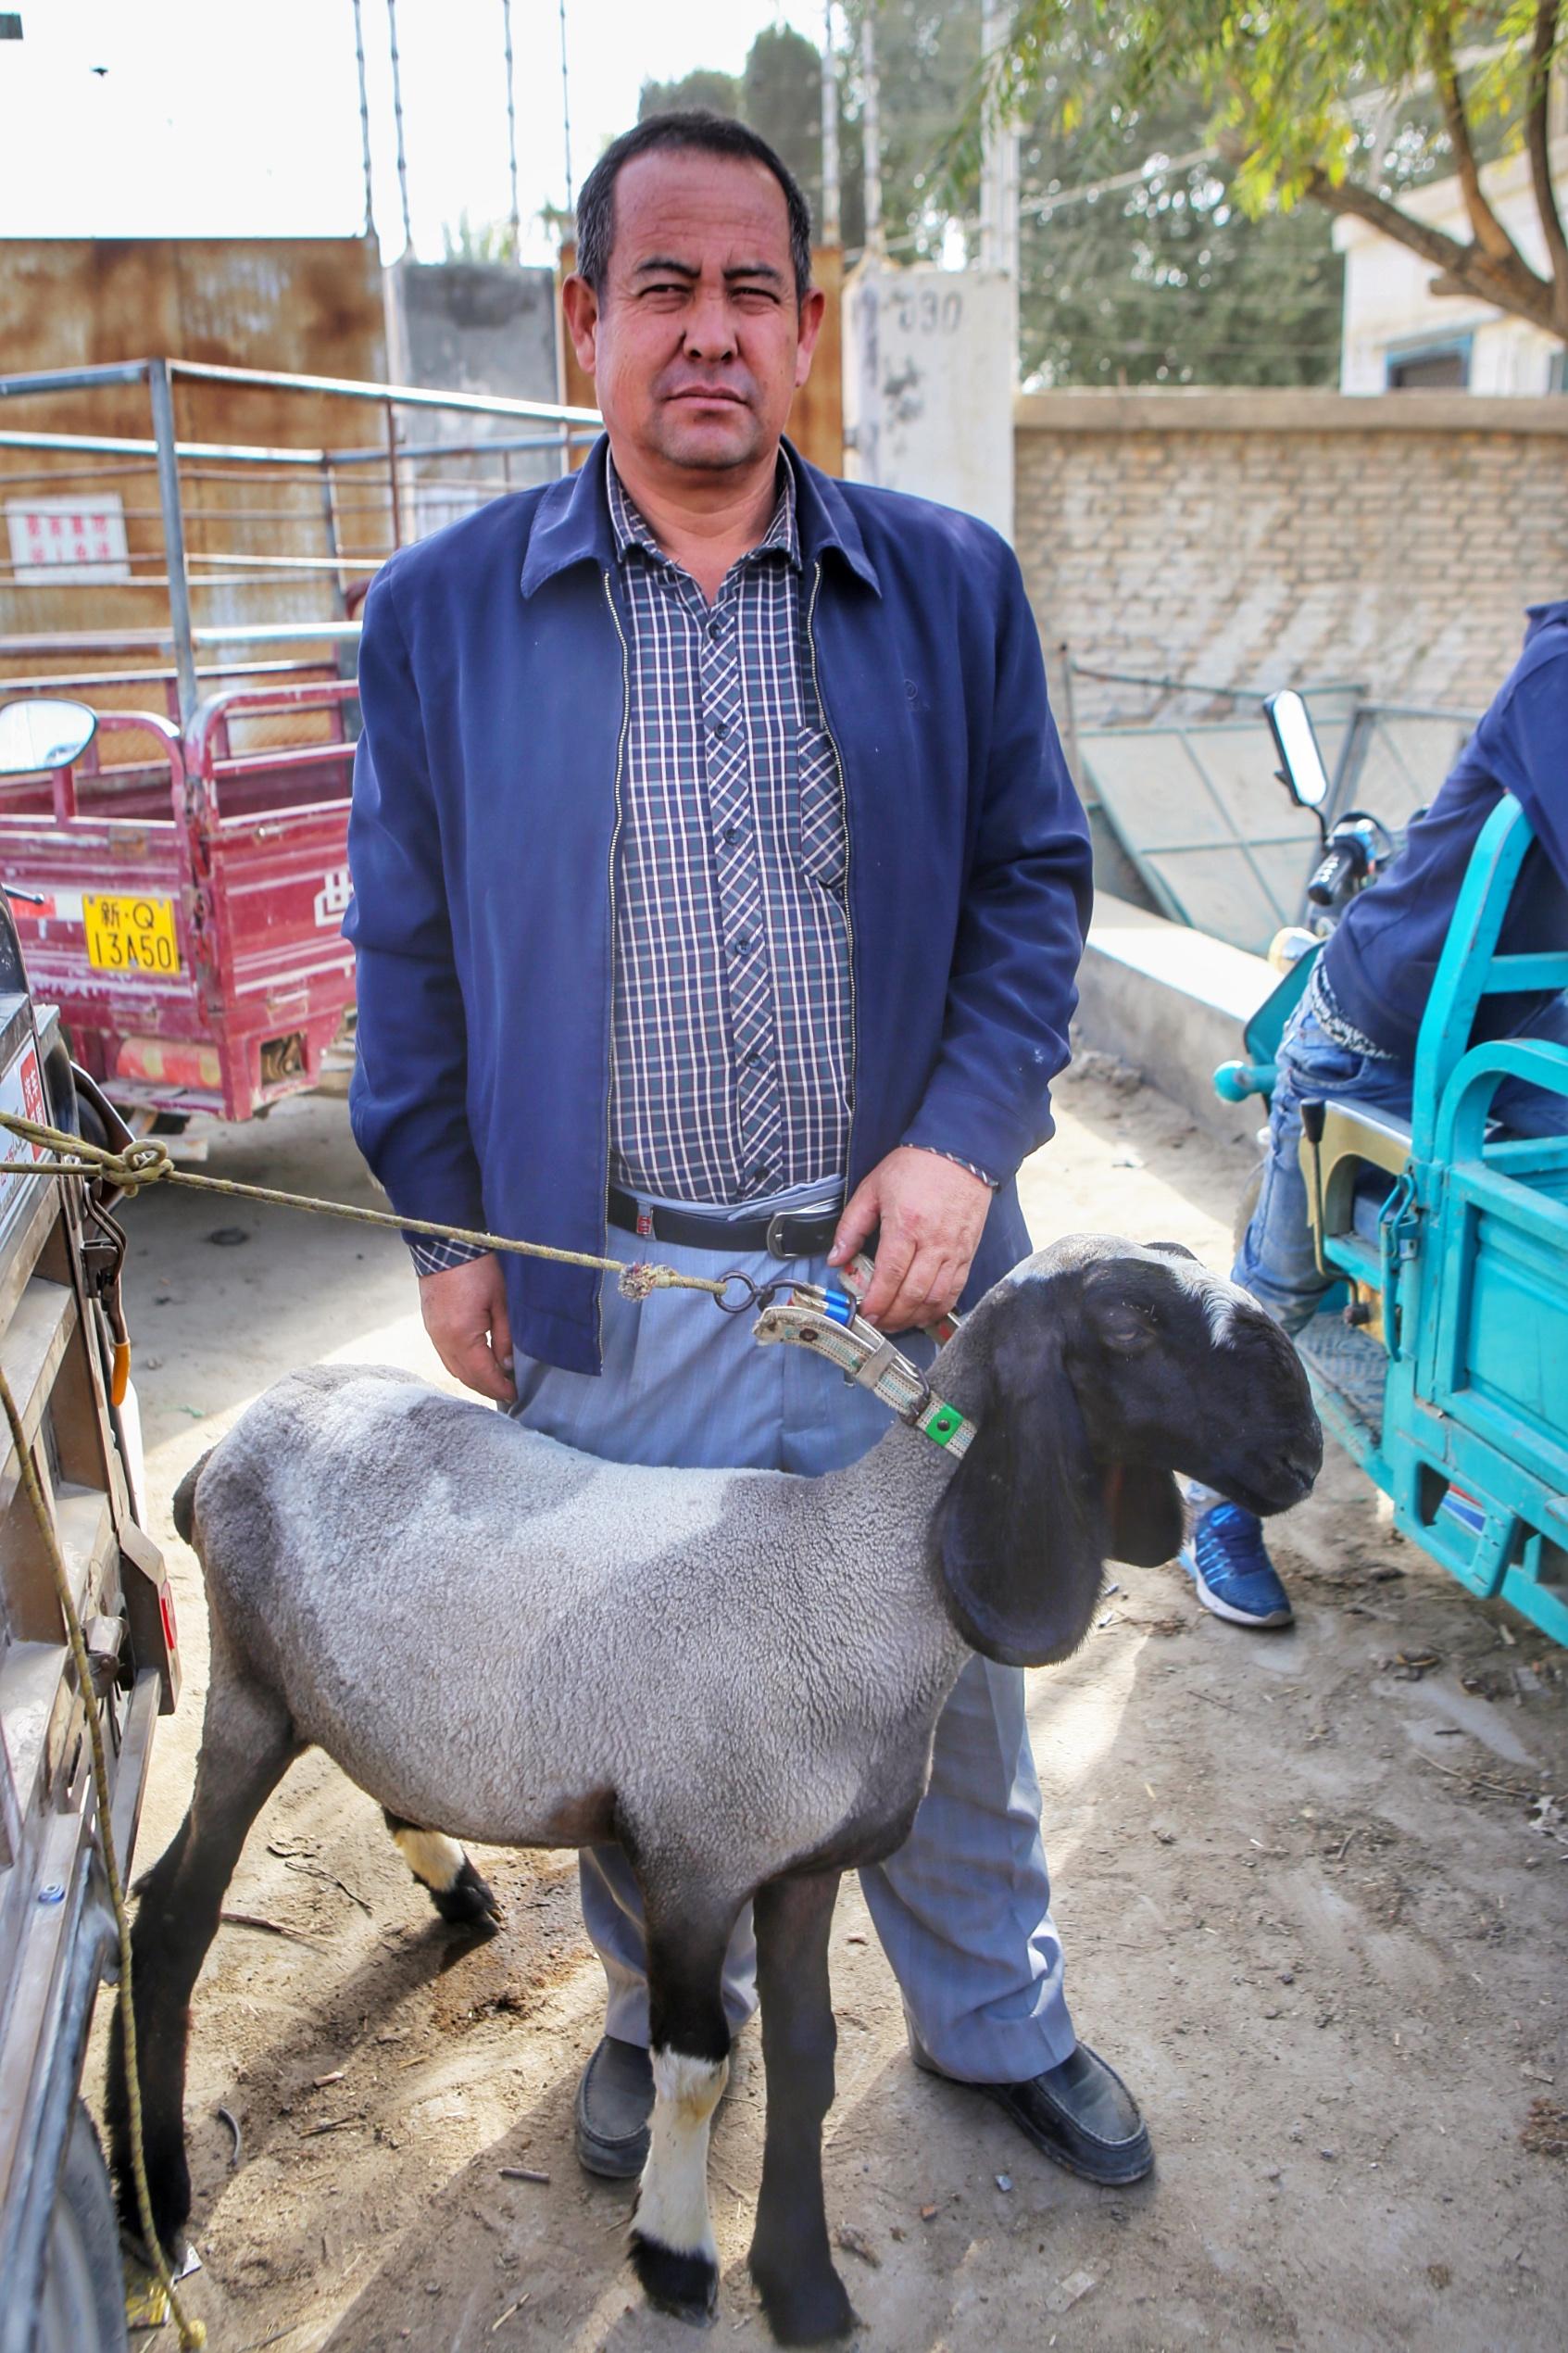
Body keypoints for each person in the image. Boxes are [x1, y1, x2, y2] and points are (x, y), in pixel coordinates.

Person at [345, 111, 1152, 2190]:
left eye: (753, 293)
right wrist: (452, 1238)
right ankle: (651, 2014)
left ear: (809, 326)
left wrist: (966, 1145)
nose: (711, 333)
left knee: (951, 1677)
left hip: (921, 1285)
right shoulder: (442, 619)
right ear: (584, 319)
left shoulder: (947, 588)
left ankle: (993, 2016)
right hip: (629, 1286)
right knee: (648, 1685)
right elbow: (413, 957)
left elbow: (1031, 891)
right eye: (665, 290)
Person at [1186, 600, 1568, 1629]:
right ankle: (1216, 1507)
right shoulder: (1558, 670)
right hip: (1378, 1046)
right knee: (1278, 1288)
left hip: (1509, 1041)